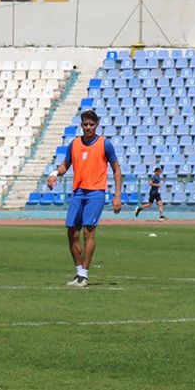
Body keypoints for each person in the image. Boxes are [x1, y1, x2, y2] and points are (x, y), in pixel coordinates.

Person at [46, 110, 123, 287]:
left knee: (88, 231)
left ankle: (84, 275)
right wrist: (54, 174)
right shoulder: (74, 144)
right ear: (81, 125)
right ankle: (79, 272)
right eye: (85, 124)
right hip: (78, 193)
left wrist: (117, 195)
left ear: (96, 125)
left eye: (91, 124)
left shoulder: (105, 144)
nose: (88, 127)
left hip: (95, 193)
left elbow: (116, 169)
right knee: (72, 233)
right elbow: (66, 165)